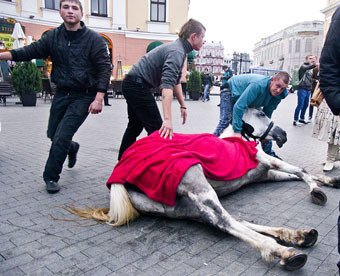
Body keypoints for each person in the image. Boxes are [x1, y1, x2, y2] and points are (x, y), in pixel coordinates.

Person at [0, 0, 111, 193]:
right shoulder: (53, 37)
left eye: (75, 8)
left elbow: (104, 69)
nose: (70, 11)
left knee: (61, 136)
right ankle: (72, 147)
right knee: (52, 133)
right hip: (61, 93)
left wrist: (98, 98)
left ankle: (51, 177)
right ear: (60, 12)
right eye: (66, 7)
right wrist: (2, 55)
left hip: (84, 95)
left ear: (81, 14)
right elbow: (28, 51)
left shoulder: (94, 40)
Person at [118, 19, 206, 160]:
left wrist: (183, 106)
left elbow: (176, 82)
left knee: (134, 127)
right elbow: (166, 86)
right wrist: (167, 119)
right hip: (136, 85)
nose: (203, 41)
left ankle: (122, 163)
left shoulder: (180, 50)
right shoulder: (177, 51)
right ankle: (157, 168)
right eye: (203, 37)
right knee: (159, 130)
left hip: (133, 84)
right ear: (194, 36)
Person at [212, 72, 289, 158]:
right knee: (225, 121)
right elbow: (239, 107)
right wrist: (237, 131)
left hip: (249, 98)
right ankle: (208, 147)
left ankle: (270, 156)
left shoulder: (280, 95)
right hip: (231, 90)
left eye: (282, 89)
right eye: (278, 86)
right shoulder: (258, 85)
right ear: (272, 80)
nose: (279, 90)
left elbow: (267, 114)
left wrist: (264, 135)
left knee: (266, 129)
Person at [293, 55, 317, 126]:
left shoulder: (310, 69)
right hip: (302, 88)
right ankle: (295, 120)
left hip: (308, 89)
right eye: (310, 58)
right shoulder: (303, 67)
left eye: (313, 59)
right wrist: (315, 64)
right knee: (300, 105)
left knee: (306, 105)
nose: (312, 60)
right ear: (306, 59)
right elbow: (307, 67)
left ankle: (302, 118)